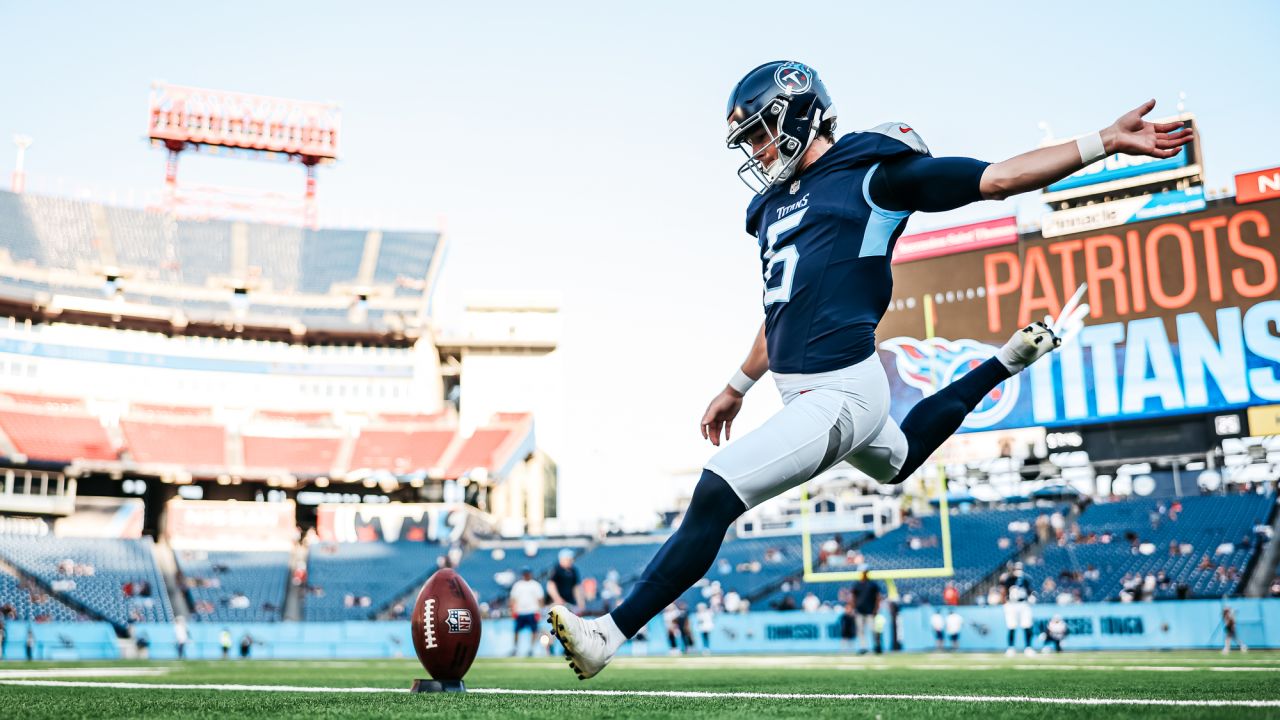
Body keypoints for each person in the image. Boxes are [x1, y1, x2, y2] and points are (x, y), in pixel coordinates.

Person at [547, 59, 1191, 680]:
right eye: (748, 140)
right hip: (812, 395)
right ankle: (1005, 360)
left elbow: (996, 178)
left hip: (841, 390)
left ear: (799, 113)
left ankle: (610, 632)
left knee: (716, 490)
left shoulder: (870, 173)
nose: (757, 151)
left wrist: (1102, 141)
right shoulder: (770, 210)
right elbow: (780, 314)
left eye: (761, 133)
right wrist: (736, 386)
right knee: (899, 458)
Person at [509, 567, 545, 657]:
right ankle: (515, 648)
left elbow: (540, 599)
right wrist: (513, 610)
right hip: (520, 611)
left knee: (534, 631)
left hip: (532, 611)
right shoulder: (518, 585)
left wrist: (541, 611)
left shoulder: (535, 585)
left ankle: (531, 649)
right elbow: (513, 599)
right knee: (516, 631)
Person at [1003, 563, 1035, 656]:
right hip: (1011, 604)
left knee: (1027, 625)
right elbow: (1004, 590)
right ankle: (1011, 647)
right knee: (1011, 626)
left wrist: (1031, 597)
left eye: (1019, 568)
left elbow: (1029, 590)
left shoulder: (1025, 579)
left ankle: (1028, 647)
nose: (1018, 570)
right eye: (1016, 568)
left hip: (1023, 604)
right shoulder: (1009, 579)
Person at [852, 569, 882, 655]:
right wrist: (854, 608)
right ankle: (863, 647)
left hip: (870, 611)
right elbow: (853, 597)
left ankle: (877, 646)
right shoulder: (857, 584)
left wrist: (876, 609)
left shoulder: (872, 584)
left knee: (873, 630)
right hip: (860, 611)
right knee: (860, 631)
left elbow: (878, 597)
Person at [546, 549, 583, 614]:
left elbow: (576, 587)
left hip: (570, 602)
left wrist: (580, 602)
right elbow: (550, 586)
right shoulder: (556, 570)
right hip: (558, 603)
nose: (571, 561)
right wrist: (557, 599)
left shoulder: (573, 570)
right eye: (568, 559)